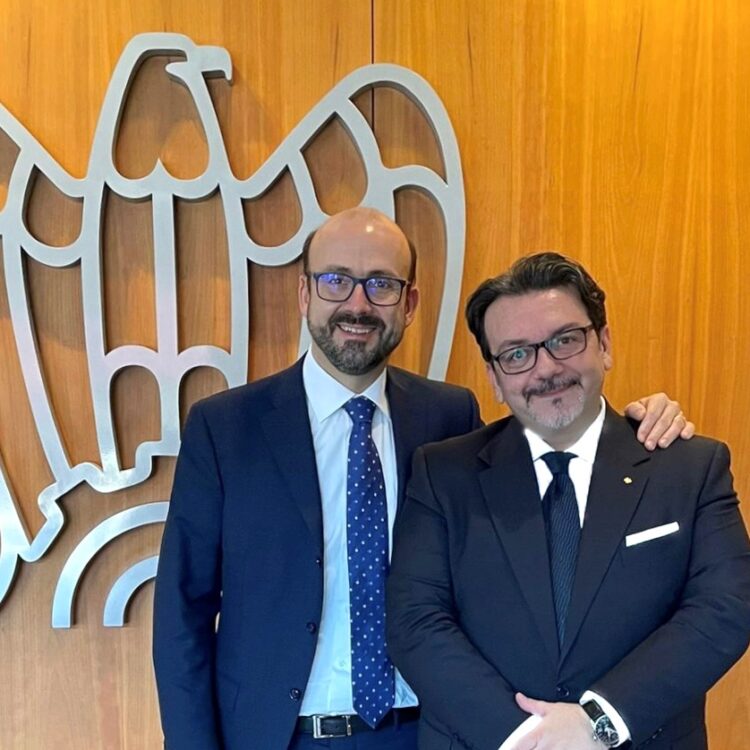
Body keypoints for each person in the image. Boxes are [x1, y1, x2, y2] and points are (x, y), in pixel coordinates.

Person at [153, 213, 691, 750]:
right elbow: (183, 613)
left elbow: (551, 460)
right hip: (278, 736)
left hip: (428, 732)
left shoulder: (448, 415)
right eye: (336, 280)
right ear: (304, 293)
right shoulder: (226, 428)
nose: (358, 305)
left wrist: (633, 427)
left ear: (408, 304)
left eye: (381, 285)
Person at [386, 252, 750, 750]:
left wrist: (597, 722)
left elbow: (725, 608)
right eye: (517, 354)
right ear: (494, 378)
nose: (546, 369)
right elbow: (416, 623)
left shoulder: (689, 467)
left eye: (564, 340)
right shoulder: (443, 475)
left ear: (604, 344)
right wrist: (527, 739)